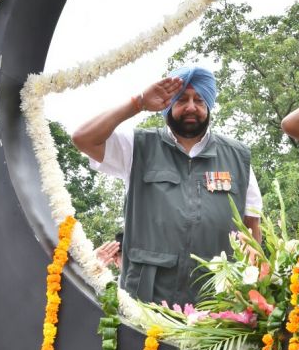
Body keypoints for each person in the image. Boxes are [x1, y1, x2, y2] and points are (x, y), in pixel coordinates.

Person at [73, 65, 262, 307]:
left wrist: (254, 289)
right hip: (146, 300)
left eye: (199, 100)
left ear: (209, 105)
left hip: (215, 302)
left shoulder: (237, 157)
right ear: (168, 105)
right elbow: (83, 138)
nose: (191, 107)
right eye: (182, 99)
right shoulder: (137, 146)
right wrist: (138, 103)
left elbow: (251, 227)